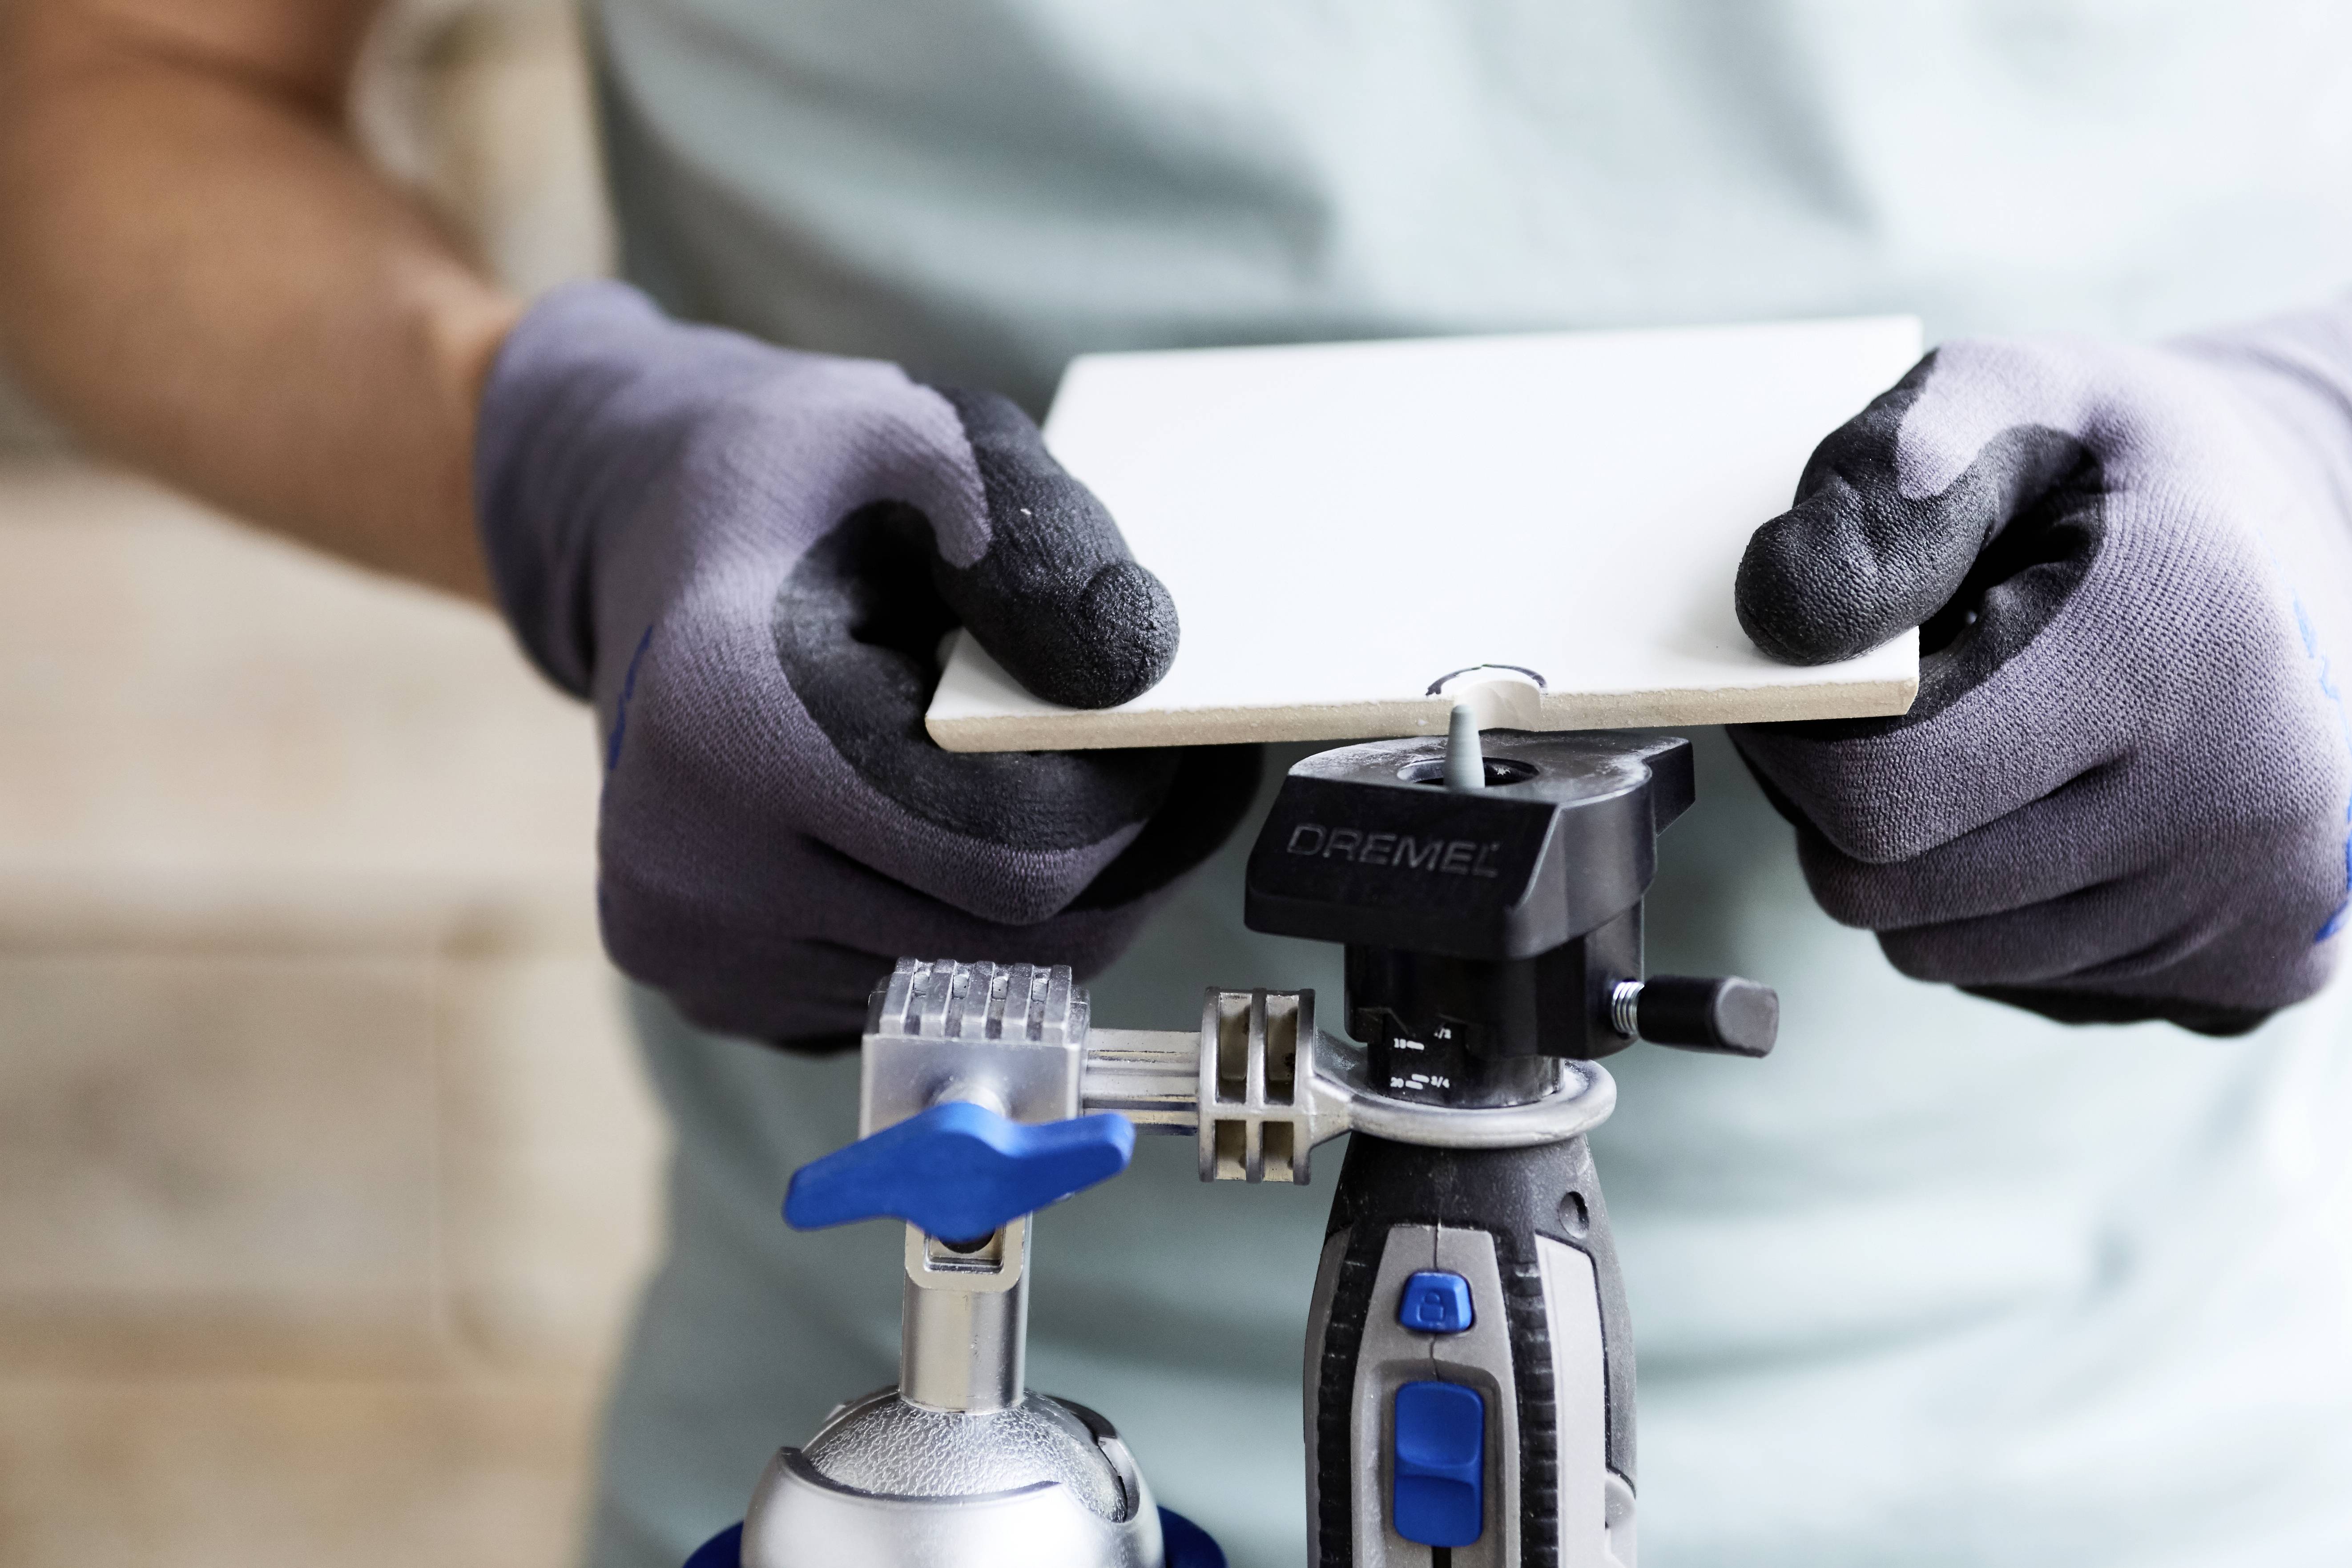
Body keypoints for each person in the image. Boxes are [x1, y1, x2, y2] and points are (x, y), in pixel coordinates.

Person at [7, 3, 2352, 1564]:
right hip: (934, 1486)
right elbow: (114, 69)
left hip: (2140, 1459)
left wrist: (2318, 462)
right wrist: (547, 457)